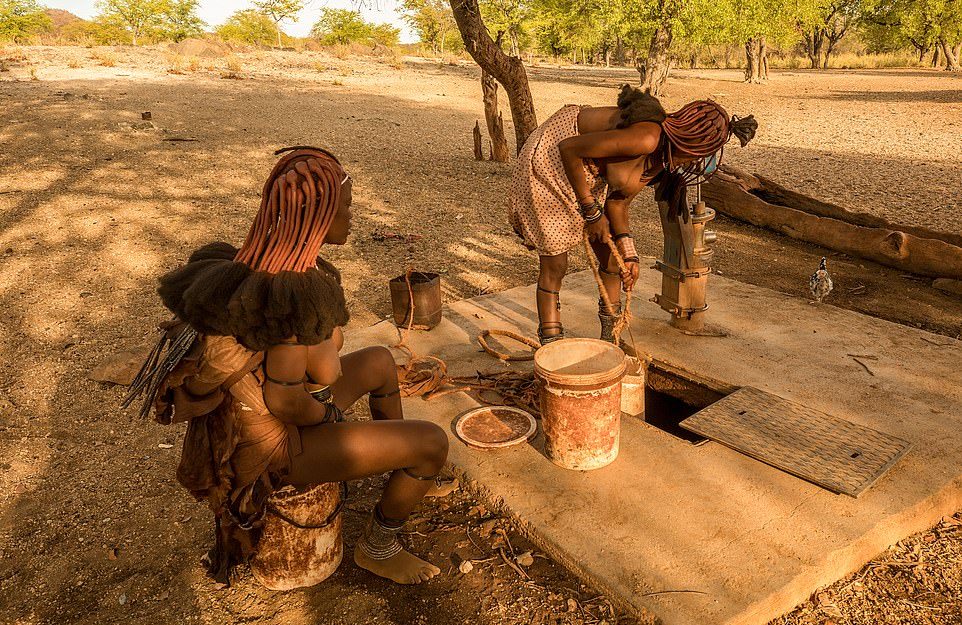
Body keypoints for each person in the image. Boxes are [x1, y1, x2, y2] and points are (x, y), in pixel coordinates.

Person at [131, 147, 448, 586]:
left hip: (286, 407)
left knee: (379, 362)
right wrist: (327, 414)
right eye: (347, 208)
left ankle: (393, 466)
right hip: (273, 445)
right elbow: (287, 397)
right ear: (319, 219)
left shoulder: (261, 263)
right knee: (432, 443)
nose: (352, 217)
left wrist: (322, 385)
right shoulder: (294, 294)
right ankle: (379, 545)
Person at [509, 85, 756, 344]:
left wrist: (629, 253)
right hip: (551, 155)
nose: (695, 163)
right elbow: (569, 148)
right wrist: (592, 212)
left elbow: (618, 204)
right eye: (697, 155)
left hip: (584, 170)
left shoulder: (662, 160)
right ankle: (551, 344)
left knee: (614, 263)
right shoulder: (647, 138)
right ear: (688, 141)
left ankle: (610, 341)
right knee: (556, 264)